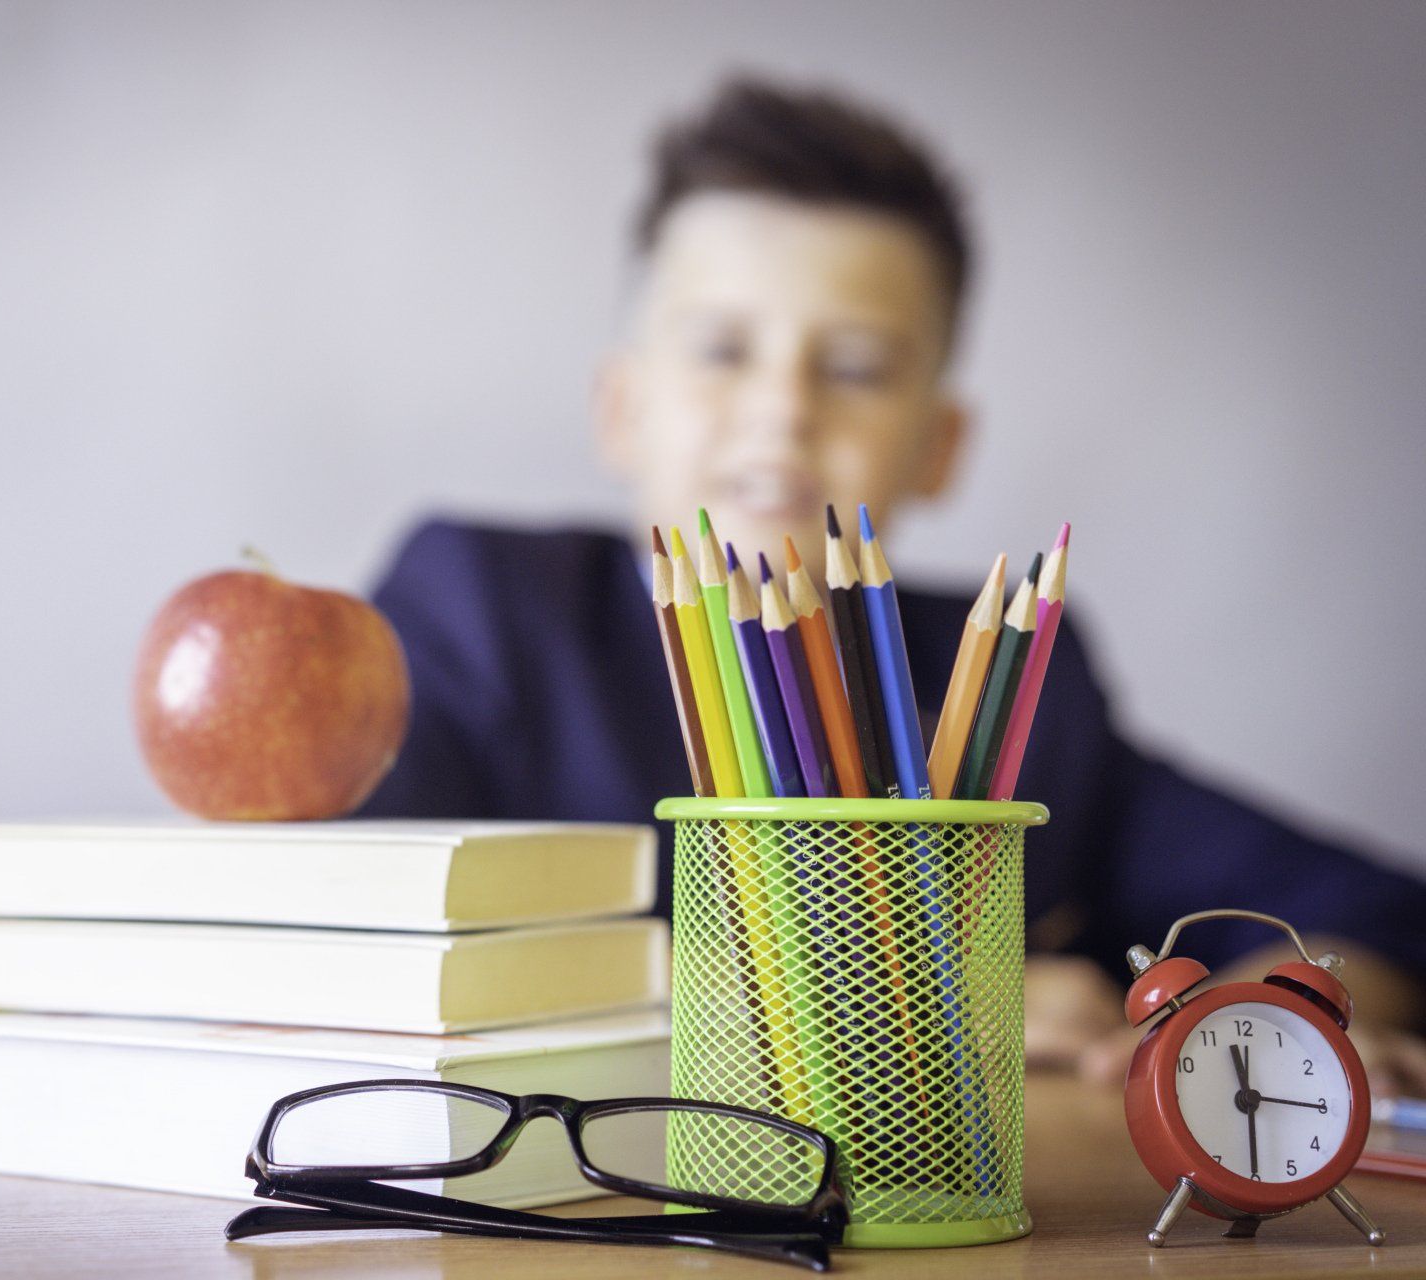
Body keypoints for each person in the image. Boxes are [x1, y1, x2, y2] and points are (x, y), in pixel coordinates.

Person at [357, 77, 1426, 1094]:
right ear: (620, 408)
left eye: (858, 366)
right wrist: (928, 1004)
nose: (782, 407)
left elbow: (1364, 909)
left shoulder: (1008, 679)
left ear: (940, 446)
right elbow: (352, 925)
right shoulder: (484, 607)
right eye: (723, 349)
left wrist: (1272, 1016)